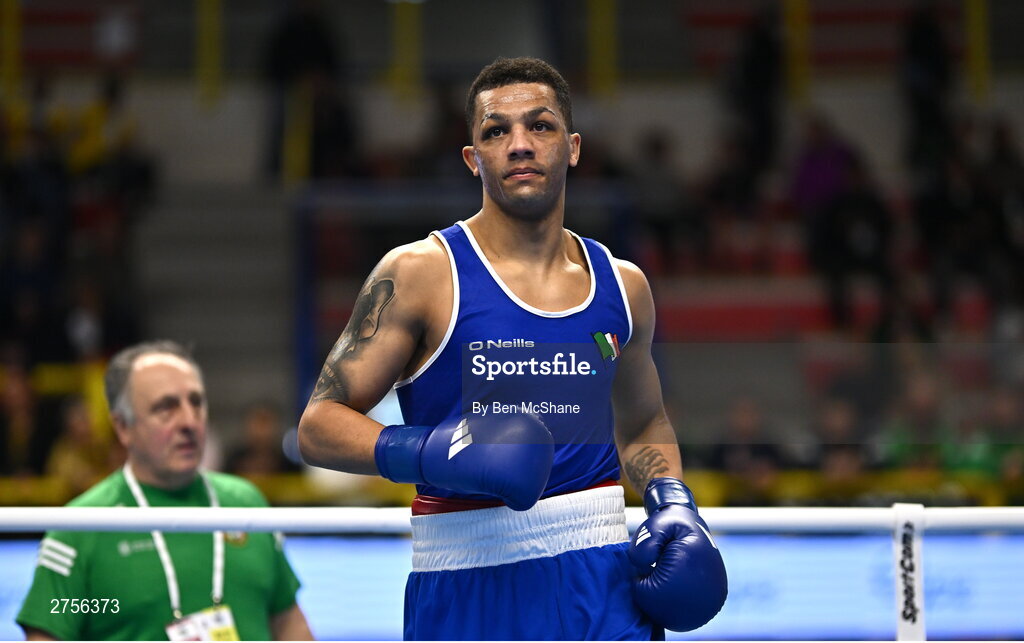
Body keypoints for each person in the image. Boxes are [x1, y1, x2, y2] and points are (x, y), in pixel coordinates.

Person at [298, 57, 727, 640]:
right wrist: (427, 452)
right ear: (474, 159)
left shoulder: (624, 286)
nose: (519, 144)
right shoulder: (423, 273)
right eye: (497, 131)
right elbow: (318, 425)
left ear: (573, 147)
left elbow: (644, 418)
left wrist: (671, 497)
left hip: (599, 582)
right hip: (467, 582)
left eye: (540, 126)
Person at [17, 340, 313, 641]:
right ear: (123, 427)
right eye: (165, 408)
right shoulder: (81, 526)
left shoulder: (245, 503)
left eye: (196, 402)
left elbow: (288, 621)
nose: (188, 421)